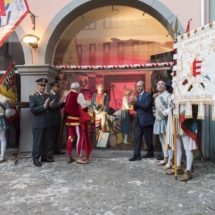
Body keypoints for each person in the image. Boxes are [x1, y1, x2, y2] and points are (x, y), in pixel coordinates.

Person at [166, 104, 198, 181]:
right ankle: (178, 166)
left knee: (187, 147)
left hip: (185, 117)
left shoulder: (189, 91)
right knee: (177, 145)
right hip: (175, 118)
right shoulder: (176, 92)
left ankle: (188, 170)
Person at [29, 78, 55, 167]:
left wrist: (50, 106)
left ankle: (44, 157)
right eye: (41, 85)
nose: (43, 87)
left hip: (46, 122)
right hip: (38, 123)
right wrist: (44, 106)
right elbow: (32, 109)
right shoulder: (33, 96)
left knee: (45, 141)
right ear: (37, 86)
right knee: (37, 142)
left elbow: (48, 109)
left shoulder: (46, 96)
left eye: (44, 86)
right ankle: (35, 158)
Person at [129, 81, 155, 161]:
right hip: (139, 120)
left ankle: (150, 152)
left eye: (140, 86)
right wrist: (133, 103)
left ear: (143, 87)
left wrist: (137, 102)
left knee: (148, 139)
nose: (138, 88)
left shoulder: (148, 95)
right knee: (137, 138)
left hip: (147, 120)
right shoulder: (137, 96)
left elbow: (146, 106)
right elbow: (136, 108)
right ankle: (137, 155)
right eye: (137, 86)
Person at [65, 82, 89, 164]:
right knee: (80, 137)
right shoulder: (79, 95)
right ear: (78, 88)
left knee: (70, 137)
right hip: (77, 120)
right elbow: (84, 107)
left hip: (69, 119)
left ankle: (69, 156)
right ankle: (79, 156)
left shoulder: (68, 95)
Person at [153, 80, 174, 170]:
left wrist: (166, 113)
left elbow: (171, 107)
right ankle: (165, 158)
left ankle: (171, 160)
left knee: (168, 141)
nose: (160, 85)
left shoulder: (168, 95)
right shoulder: (157, 97)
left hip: (166, 121)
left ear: (165, 86)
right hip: (159, 121)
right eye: (158, 84)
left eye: (162, 84)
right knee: (162, 140)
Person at [48, 79, 65, 158]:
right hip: (52, 118)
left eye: (58, 86)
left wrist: (63, 103)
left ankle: (57, 149)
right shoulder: (49, 95)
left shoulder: (57, 95)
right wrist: (60, 103)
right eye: (57, 86)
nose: (58, 88)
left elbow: (58, 106)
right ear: (52, 87)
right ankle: (50, 152)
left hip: (58, 118)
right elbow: (52, 107)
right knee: (51, 136)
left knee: (58, 135)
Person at [0, 94, 11, 163]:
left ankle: (2, 156)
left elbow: (8, 112)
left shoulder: (4, 99)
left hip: (1, 119)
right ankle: (2, 156)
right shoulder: (4, 99)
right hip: (1, 119)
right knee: (2, 138)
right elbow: (8, 112)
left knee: (2, 138)